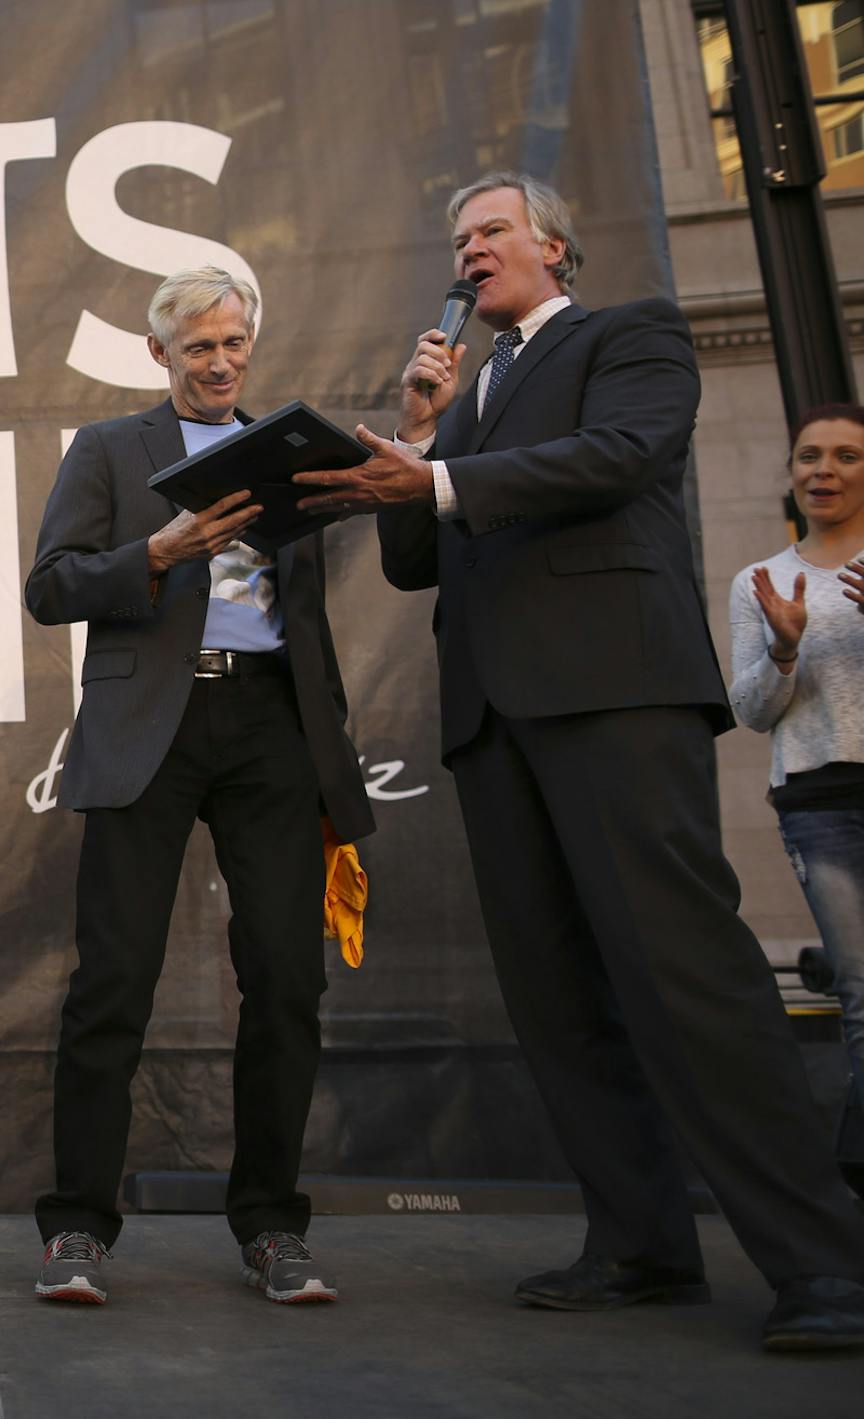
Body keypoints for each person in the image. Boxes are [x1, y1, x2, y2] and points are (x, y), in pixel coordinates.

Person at [294, 171, 864, 1350]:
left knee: (686, 976)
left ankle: (825, 1267)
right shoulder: (466, 391)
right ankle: (641, 1245)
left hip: (613, 692)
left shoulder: (630, 336)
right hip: (496, 721)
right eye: (458, 239)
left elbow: (623, 455)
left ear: (555, 247)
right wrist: (417, 435)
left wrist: (443, 474)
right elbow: (413, 560)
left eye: (491, 230)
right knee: (559, 1000)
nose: (470, 251)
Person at [23, 267, 375, 1307]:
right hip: (149, 730)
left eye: (233, 345)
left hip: (272, 728)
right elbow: (50, 585)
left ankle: (271, 1225)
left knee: (287, 979)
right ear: (159, 356)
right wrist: (157, 552)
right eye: (197, 349)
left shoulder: (293, 451)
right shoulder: (109, 450)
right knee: (112, 984)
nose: (219, 363)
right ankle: (79, 1228)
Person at [728, 405, 864, 1199]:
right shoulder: (761, 582)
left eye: (845, 455)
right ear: (790, 471)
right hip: (819, 799)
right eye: (809, 455)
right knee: (859, 989)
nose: (824, 470)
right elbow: (751, 710)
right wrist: (783, 648)